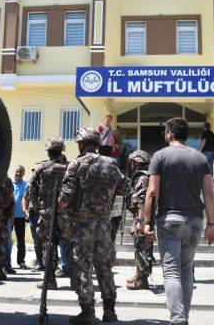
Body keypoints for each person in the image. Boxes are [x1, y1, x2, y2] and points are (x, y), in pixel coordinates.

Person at [139, 117, 214, 325]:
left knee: (171, 272)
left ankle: (178, 319)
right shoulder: (200, 159)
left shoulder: (160, 156)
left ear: (170, 133)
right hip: (194, 221)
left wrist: (146, 222)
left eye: (165, 132)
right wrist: (212, 224)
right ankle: (183, 318)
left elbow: (152, 191)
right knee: (186, 271)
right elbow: (209, 194)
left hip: (169, 220)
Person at [58, 127, 127, 324]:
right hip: (105, 224)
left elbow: (66, 197)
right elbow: (124, 188)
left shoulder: (77, 164)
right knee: (105, 267)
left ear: (82, 143)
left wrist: (57, 210)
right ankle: (110, 311)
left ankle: (88, 312)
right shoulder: (112, 164)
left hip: (82, 224)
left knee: (83, 267)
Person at [30, 137, 68, 290]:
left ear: (48, 151)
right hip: (66, 213)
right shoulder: (70, 167)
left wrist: (38, 208)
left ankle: (50, 280)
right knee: (70, 245)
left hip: (47, 212)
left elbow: (32, 188)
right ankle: (77, 281)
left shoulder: (41, 168)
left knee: (48, 245)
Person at [125, 149, 152, 290]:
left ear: (138, 162)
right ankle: (139, 275)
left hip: (141, 216)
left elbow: (141, 200)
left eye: (133, 162)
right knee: (139, 246)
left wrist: (139, 221)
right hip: (141, 215)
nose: (131, 165)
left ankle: (142, 279)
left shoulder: (142, 178)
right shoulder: (144, 176)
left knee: (141, 245)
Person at [7, 165, 28, 270]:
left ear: (23, 173)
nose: (18, 173)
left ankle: (21, 261)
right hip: (9, 216)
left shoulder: (27, 185)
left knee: (21, 240)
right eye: (16, 171)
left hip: (20, 216)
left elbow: (28, 200)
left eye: (20, 172)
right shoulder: (9, 184)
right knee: (6, 239)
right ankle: (6, 261)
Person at [23, 174, 44, 271]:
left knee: (49, 240)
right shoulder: (31, 184)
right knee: (37, 241)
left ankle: (50, 264)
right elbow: (25, 198)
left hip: (46, 214)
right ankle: (40, 263)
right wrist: (25, 210)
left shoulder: (49, 181)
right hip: (34, 215)